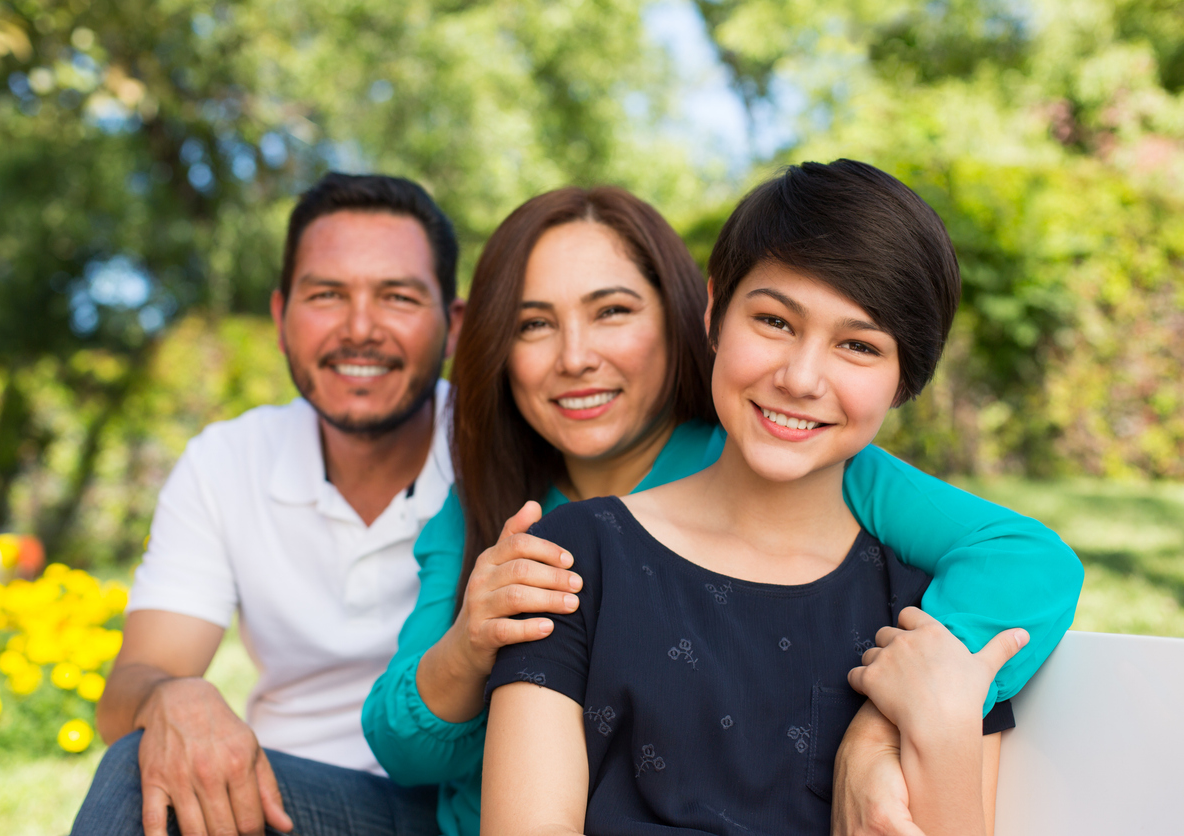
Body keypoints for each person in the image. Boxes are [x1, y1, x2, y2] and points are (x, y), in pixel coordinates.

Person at [363, 184, 1082, 835]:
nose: (575, 357)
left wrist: (896, 717)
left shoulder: (809, 461)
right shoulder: (529, 531)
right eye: (533, 325)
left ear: (681, 314)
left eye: (611, 311)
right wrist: (468, 642)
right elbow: (399, 745)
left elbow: (1023, 558)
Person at [72, 173, 465, 836]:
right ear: (282, 318)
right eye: (326, 295)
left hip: (468, 798)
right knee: (141, 763)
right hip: (287, 800)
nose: (360, 329)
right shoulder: (226, 461)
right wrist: (172, 695)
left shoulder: (503, 443)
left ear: (452, 323)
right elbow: (128, 691)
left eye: (397, 296)